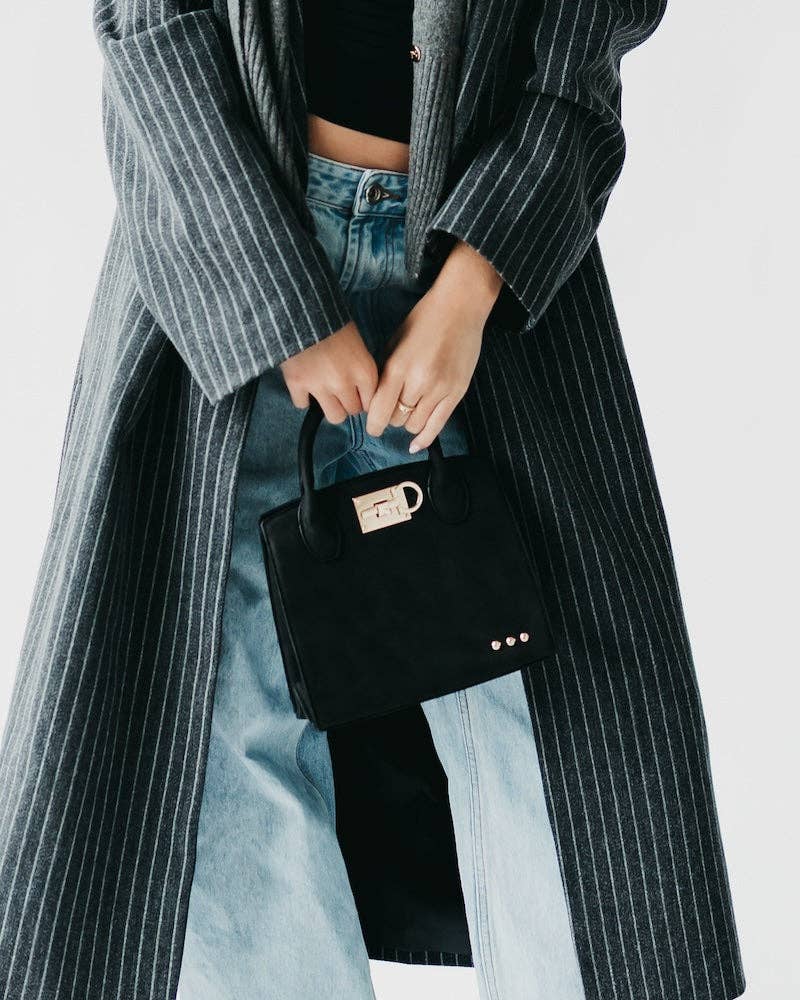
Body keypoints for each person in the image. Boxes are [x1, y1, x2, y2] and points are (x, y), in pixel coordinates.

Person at [0, 1, 746, 999]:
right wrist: (278, 304)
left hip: (479, 281)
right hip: (231, 259)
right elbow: (150, 29)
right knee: (222, 747)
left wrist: (472, 286)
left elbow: (583, 46)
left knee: (566, 754)